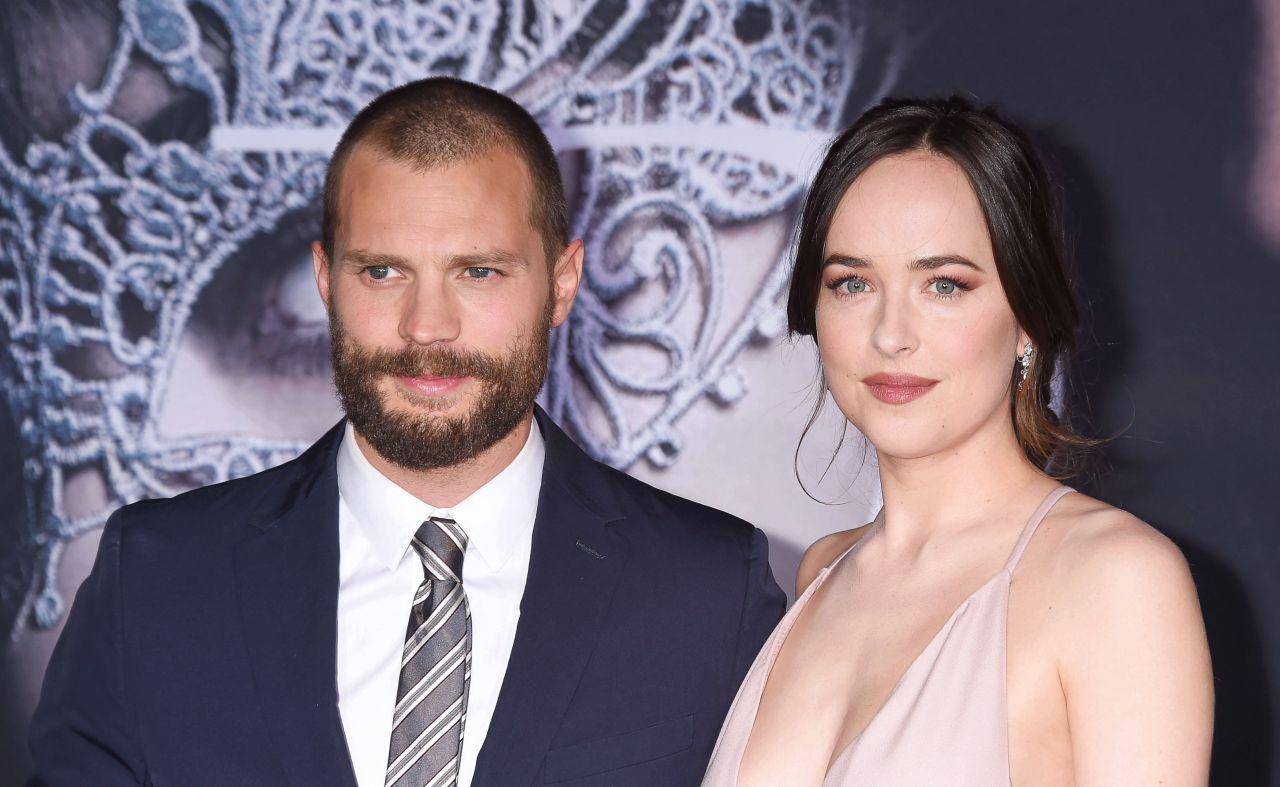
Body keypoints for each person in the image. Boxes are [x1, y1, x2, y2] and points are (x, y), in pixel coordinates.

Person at [28, 76, 786, 787]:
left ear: (562, 283)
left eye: (478, 272)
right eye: (383, 272)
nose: (427, 327)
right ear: (325, 280)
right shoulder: (155, 580)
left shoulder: (708, 589)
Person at [703, 97, 1214, 785]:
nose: (891, 334)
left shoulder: (1115, 577)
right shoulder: (823, 570)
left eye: (943, 285)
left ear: (1028, 318)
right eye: (853, 283)